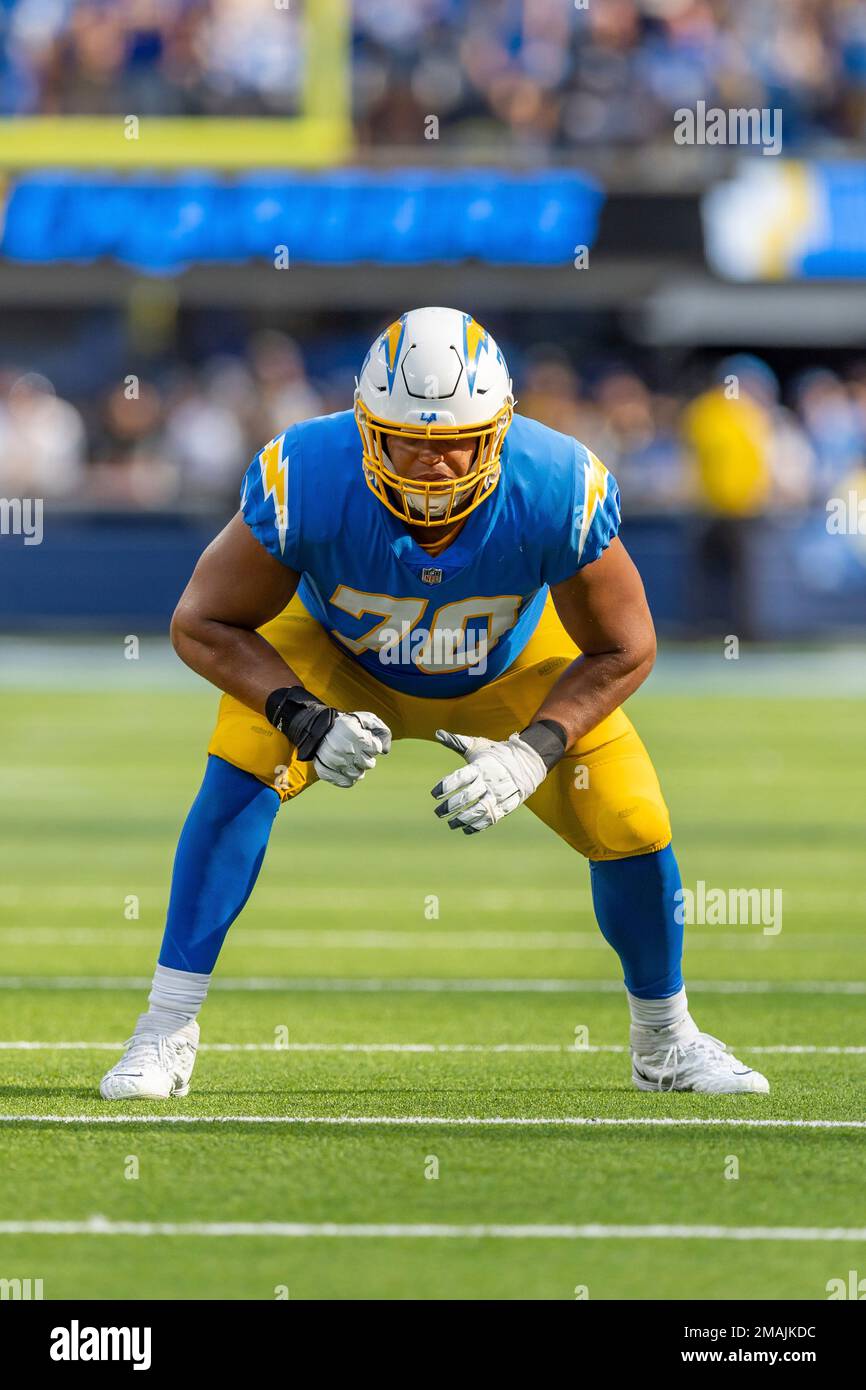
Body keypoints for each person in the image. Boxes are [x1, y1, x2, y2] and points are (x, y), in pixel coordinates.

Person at [100, 307, 769, 1100]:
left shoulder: (554, 484)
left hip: (508, 669)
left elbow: (626, 646)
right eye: (408, 438)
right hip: (337, 662)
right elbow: (201, 623)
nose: (433, 463)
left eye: (457, 439)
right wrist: (300, 716)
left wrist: (534, 750)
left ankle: (665, 1041)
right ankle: (163, 1030)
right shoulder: (310, 475)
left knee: (632, 821)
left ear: (501, 429)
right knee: (239, 774)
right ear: (363, 425)